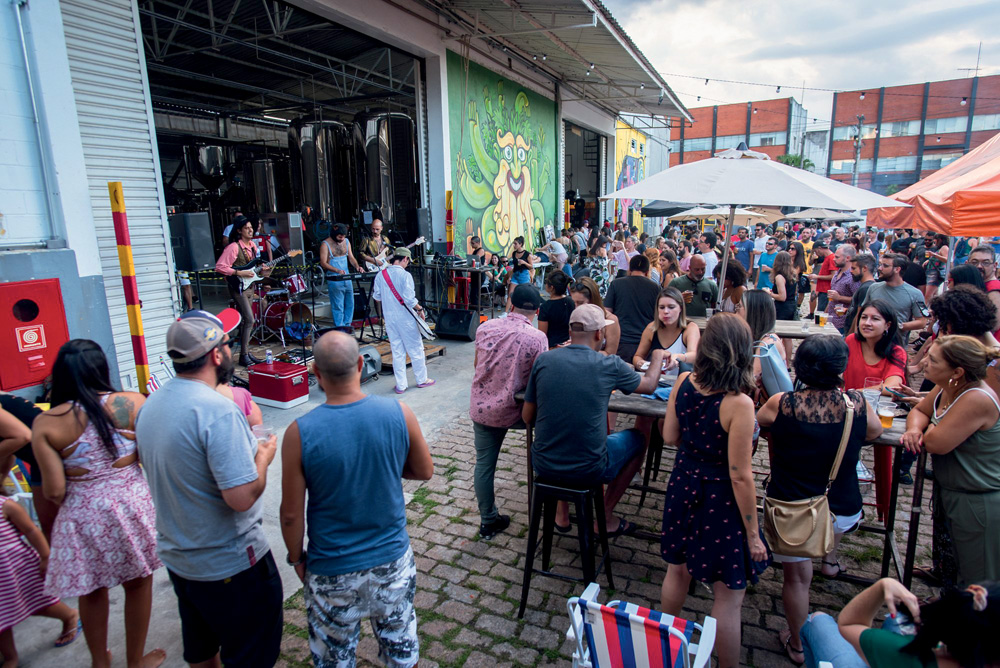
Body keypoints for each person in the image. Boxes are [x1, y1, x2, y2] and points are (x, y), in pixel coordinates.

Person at [135, 311, 282, 668]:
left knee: (202, 652)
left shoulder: (152, 403)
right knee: (251, 654)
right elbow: (241, 496)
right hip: (228, 562)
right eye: (228, 344)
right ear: (216, 354)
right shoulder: (217, 411)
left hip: (180, 558)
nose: (231, 351)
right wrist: (263, 456)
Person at [280, 332, 433, 667]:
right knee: (402, 652)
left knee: (334, 659)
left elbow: (291, 515)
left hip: (332, 568)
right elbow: (424, 471)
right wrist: (387, 465)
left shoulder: (299, 433)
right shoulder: (399, 412)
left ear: (316, 375)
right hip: (391, 562)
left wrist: (296, 559)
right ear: (362, 364)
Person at [32, 340, 165, 668]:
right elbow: (151, 458)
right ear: (101, 368)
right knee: (137, 584)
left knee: (91, 590)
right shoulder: (133, 403)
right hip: (132, 506)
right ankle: (135, 661)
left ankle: (99, 662)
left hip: (81, 515)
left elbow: (53, 490)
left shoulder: (46, 424)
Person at [756, 335, 883, 665]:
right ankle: (829, 560)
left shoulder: (782, 403)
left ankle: (798, 644)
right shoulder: (856, 404)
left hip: (792, 508)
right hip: (840, 505)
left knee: (797, 579)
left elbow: (755, 423)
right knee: (825, 539)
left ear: (799, 367)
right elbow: (874, 432)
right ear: (840, 370)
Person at [659, 314, 770, 668]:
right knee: (728, 593)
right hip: (719, 496)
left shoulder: (683, 384)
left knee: (676, 570)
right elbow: (741, 476)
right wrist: (753, 535)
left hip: (683, 481)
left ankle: (665, 650)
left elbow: (669, 437)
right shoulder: (739, 403)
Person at [522, 304, 666, 535]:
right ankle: (605, 515)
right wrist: (658, 355)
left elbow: (527, 416)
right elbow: (649, 385)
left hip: (544, 463)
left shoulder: (544, 360)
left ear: (570, 332)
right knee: (639, 439)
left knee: (566, 439)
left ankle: (562, 515)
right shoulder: (609, 364)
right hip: (589, 467)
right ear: (599, 334)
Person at [902, 335, 1000, 585]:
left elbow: (936, 443)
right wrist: (915, 429)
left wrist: (926, 426)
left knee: (977, 579)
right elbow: (919, 410)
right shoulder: (949, 385)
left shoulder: (975, 397)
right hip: (955, 490)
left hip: (977, 499)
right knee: (953, 564)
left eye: (932, 360)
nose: (924, 362)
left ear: (957, 371)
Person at [469, 285, 547, 539]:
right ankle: (548, 511)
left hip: (482, 407)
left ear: (510, 304)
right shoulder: (537, 337)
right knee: (542, 452)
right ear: (536, 311)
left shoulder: (485, 327)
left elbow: (477, 364)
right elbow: (540, 377)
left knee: (484, 465)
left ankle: (488, 520)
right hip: (516, 411)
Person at [0, 455, 82, 666]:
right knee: (1, 619)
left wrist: (46, 557)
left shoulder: (5, 506)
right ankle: (10, 656)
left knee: (38, 602)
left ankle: (69, 616)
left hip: (16, 568)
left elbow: (31, 530)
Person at [828, 577, 1000, 668]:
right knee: (893, 622)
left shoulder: (909, 657)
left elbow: (849, 624)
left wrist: (883, 585)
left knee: (819, 621)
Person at [372, 248, 434, 394]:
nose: (407, 264)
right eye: (408, 261)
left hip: (390, 319)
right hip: (406, 319)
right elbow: (409, 299)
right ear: (405, 259)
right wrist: (419, 309)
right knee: (416, 349)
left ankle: (401, 385)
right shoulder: (405, 276)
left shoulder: (381, 275)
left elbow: (377, 297)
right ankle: (421, 379)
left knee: (397, 351)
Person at [0, 393, 59, 540]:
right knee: (48, 525)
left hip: (52, 457)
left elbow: (23, 436)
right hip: (41, 459)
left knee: (53, 526)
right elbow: (11, 450)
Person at [215, 216, 267, 366]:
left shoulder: (253, 246)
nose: (251, 230)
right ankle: (244, 355)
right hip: (238, 286)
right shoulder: (233, 247)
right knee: (250, 319)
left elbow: (255, 269)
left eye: (251, 227)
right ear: (239, 231)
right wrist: (239, 273)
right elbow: (220, 267)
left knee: (247, 321)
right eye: (247, 228)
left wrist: (264, 272)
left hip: (250, 286)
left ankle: (246, 353)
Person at [604, 254, 661, 363]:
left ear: (629, 269)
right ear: (648, 270)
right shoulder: (655, 288)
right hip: (647, 343)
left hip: (622, 341)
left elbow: (607, 312)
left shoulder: (616, 284)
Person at [862, 254, 929, 343]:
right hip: (870, 342)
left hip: (896, 344)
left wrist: (898, 326)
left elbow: (922, 322)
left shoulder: (915, 293)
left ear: (897, 269)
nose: (880, 268)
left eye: (885, 266)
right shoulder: (873, 288)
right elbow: (862, 311)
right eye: (880, 264)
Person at [632, 287, 700, 372]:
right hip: (657, 382)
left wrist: (677, 357)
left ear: (681, 308)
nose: (666, 311)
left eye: (671, 307)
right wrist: (640, 363)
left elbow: (694, 355)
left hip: (681, 381)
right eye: (661, 307)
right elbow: (637, 356)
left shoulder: (690, 327)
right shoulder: (651, 328)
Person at [319, 223, 363, 330]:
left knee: (350, 302)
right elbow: (323, 263)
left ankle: (347, 325)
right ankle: (340, 327)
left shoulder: (346, 242)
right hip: (334, 277)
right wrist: (336, 270)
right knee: (338, 305)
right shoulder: (325, 244)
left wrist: (357, 266)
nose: (341, 238)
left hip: (346, 275)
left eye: (343, 236)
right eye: (339, 236)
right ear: (334, 233)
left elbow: (351, 257)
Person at [739, 289, 787, 385]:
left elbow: (752, 380)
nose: (735, 312)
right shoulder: (754, 338)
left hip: (765, 399)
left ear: (752, 312)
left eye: (739, 307)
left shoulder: (768, 342)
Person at [569, 277, 620, 356]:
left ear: (593, 299)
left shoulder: (611, 320)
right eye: (573, 303)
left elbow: (610, 354)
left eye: (580, 303)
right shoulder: (575, 316)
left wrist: (579, 350)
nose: (576, 307)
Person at [825, 245, 860, 333]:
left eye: (837, 257)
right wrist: (825, 313)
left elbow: (858, 300)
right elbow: (831, 299)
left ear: (847, 258)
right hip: (831, 320)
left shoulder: (852, 277)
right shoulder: (837, 273)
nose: (833, 259)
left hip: (842, 323)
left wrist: (840, 297)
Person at [843, 253, 878, 335]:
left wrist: (852, 336)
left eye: (853, 268)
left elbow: (859, 315)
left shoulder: (866, 288)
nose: (851, 271)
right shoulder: (865, 286)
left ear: (865, 268)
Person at [968, 244, 1000, 320]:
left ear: (995, 266)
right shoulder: (980, 285)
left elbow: (994, 323)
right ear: (967, 263)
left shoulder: (994, 289)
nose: (979, 266)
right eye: (974, 262)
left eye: (985, 262)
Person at [506, 236, 533, 309]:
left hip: (524, 274)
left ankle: (527, 310)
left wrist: (524, 262)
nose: (514, 245)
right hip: (515, 274)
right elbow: (514, 267)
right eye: (513, 243)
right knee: (510, 294)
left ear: (520, 244)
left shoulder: (527, 254)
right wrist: (510, 277)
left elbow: (531, 267)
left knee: (525, 294)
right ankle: (505, 312)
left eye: (515, 244)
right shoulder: (514, 253)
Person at [923, 233, 950, 301]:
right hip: (932, 273)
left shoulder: (944, 248)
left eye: (935, 241)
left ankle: (925, 310)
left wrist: (934, 255)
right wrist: (929, 260)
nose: (934, 243)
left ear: (940, 240)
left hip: (935, 274)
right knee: (934, 294)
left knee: (927, 295)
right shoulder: (940, 248)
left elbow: (947, 259)